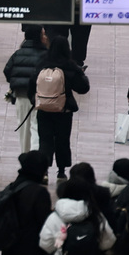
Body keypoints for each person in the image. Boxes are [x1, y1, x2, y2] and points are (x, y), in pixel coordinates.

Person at [27, 35, 90, 180]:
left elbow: (31, 86)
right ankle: (61, 171)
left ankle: (43, 171)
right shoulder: (69, 66)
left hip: (43, 109)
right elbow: (83, 88)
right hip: (63, 110)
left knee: (45, 140)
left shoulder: (42, 64)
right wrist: (82, 74)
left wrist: (36, 101)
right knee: (62, 139)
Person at [0, 151, 53, 255]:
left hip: (8, 252)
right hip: (28, 254)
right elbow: (45, 225)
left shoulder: (12, 188)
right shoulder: (39, 193)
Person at [3, 24, 47, 154]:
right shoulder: (46, 56)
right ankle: (37, 161)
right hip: (41, 98)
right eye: (43, 34)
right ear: (38, 37)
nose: (45, 37)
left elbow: (7, 71)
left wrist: (16, 82)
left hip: (21, 97)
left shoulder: (18, 54)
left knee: (24, 132)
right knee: (37, 130)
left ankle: (25, 159)